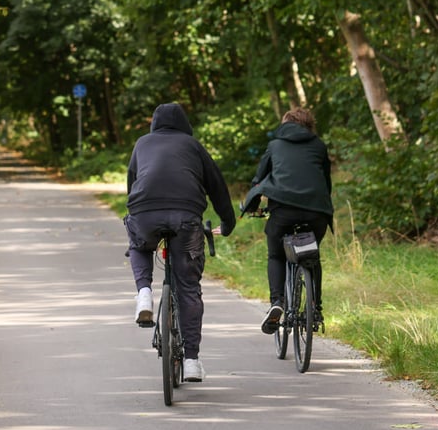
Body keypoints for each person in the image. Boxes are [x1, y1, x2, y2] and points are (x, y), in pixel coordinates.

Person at [124, 102, 236, 382]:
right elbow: (217, 187)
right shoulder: (193, 146)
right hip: (185, 217)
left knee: (139, 244)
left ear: (154, 124)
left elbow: (132, 184)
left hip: (145, 212)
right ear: (185, 124)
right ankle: (192, 361)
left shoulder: (142, 143)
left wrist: (138, 217)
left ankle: (144, 293)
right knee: (188, 288)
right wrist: (228, 222)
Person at [242, 107, 333, 334]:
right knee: (312, 256)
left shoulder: (275, 145)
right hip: (317, 212)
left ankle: (277, 302)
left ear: (285, 124)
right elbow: (326, 182)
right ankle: (315, 308)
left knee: (276, 254)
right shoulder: (319, 146)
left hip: (283, 211)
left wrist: (253, 204)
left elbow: (259, 178)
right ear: (310, 126)